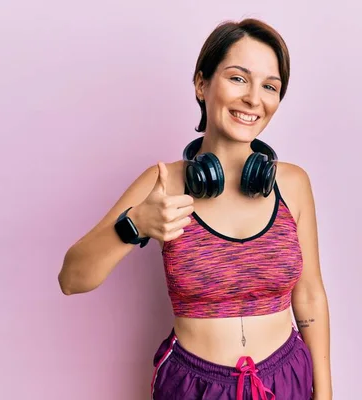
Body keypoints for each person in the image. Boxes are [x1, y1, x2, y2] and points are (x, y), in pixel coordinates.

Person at [58, 18, 333, 400]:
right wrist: (135, 224)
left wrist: (325, 392)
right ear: (202, 84)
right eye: (238, 78)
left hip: (287, 379)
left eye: (270, 86)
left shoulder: (294, 183)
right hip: (195, 387)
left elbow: (310, 295)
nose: (255, 98)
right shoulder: (163, 184)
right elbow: (71, 280)